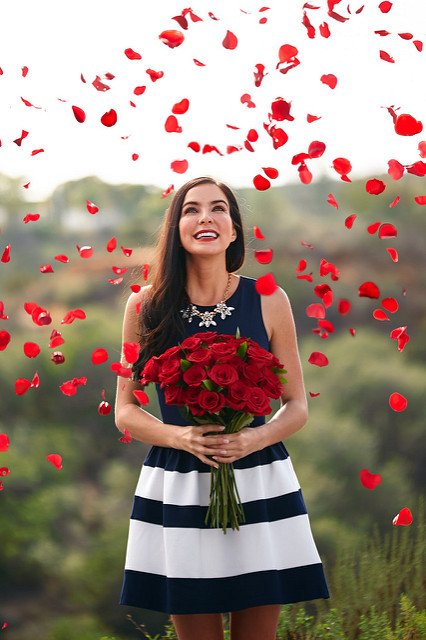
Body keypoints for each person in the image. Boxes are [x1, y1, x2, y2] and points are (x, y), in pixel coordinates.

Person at [115, 177, 329, 640]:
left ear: (234, 230)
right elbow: (126, 410)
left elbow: (295, 407)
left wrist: (251, 437)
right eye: (191, 210)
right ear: (176, 228)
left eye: (218, 209)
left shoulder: (269, 299)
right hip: (178, 484)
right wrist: (181, 437)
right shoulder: (144, 305)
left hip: (258, 479)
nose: (205, 217)